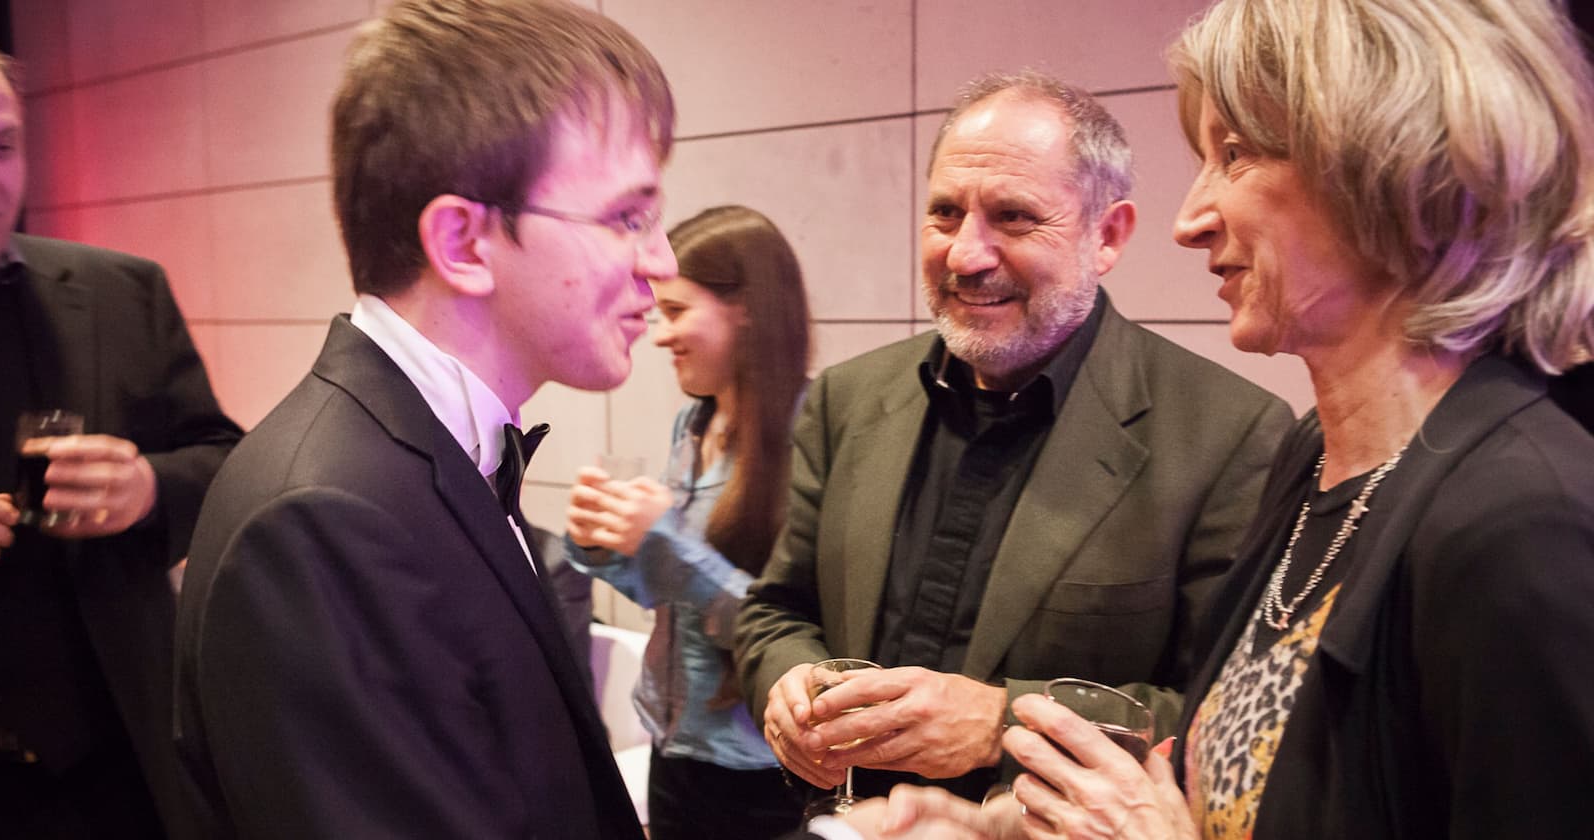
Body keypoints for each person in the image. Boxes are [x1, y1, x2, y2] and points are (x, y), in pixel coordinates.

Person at [997, 0, 1594, 837]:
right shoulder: (1319, 453)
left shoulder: (1525, 525)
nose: (1189, 220)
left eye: (1233, 154)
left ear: (1395, 163)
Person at [168, 0, 685, 837]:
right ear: (463, 243)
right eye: (629, 218)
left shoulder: (424, 454)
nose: (660, 261)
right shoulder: (321, 523)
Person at [737, 68, 1295, 806]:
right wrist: (788, 684)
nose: (966, 255)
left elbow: (1231, 717)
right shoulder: (848, 397)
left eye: (1013, 218)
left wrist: (1002, 725)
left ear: (1108, 235)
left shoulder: (1231, 437)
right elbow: (774, 613)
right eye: (944, 213)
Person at [0, 8, 242, 839]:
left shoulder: (121, 294)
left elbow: (227, 468)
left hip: (112, 785)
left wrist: (145, 489)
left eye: (2, 144)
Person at [565, 205, 811, 839]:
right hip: (672, 747)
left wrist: (666, 543)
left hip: (759, 771)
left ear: (747, 309)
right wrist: (607, 547)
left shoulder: (815, 438)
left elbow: (796, 634)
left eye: (675, 312)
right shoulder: (692, 424)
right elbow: (674, 595)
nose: (658, 335)